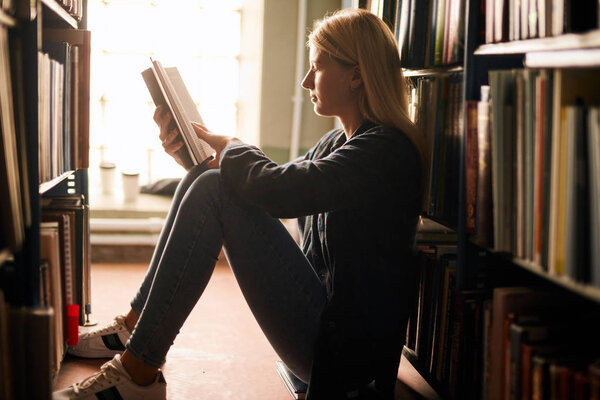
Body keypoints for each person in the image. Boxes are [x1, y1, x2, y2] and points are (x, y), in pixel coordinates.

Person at [54, 7, 425, 400]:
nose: (304, 80)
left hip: (345, 357)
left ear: (356, 74)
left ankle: (139, 369)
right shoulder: (337, 144)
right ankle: (135, 325)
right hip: (326, 330)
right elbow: (261, 190)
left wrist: (234, 149)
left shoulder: (386, 151)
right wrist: (189, 156)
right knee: (207, 178)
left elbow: (281, 193)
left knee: (216, 186)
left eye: (317, 67)